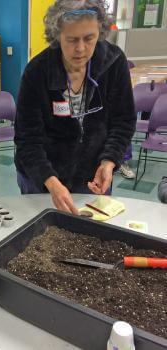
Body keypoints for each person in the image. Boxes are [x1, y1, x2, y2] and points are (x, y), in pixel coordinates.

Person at [14, 0, 136, 214]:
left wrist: (108, 162)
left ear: (100, 32)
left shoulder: (114, 62)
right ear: (57, 35)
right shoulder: (37, 72)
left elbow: (123, 121)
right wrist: (50, 182)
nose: (80, 49)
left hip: (91, 177)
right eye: (71, 40)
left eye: (89, 39)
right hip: (42, 177)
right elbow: (27, 139)